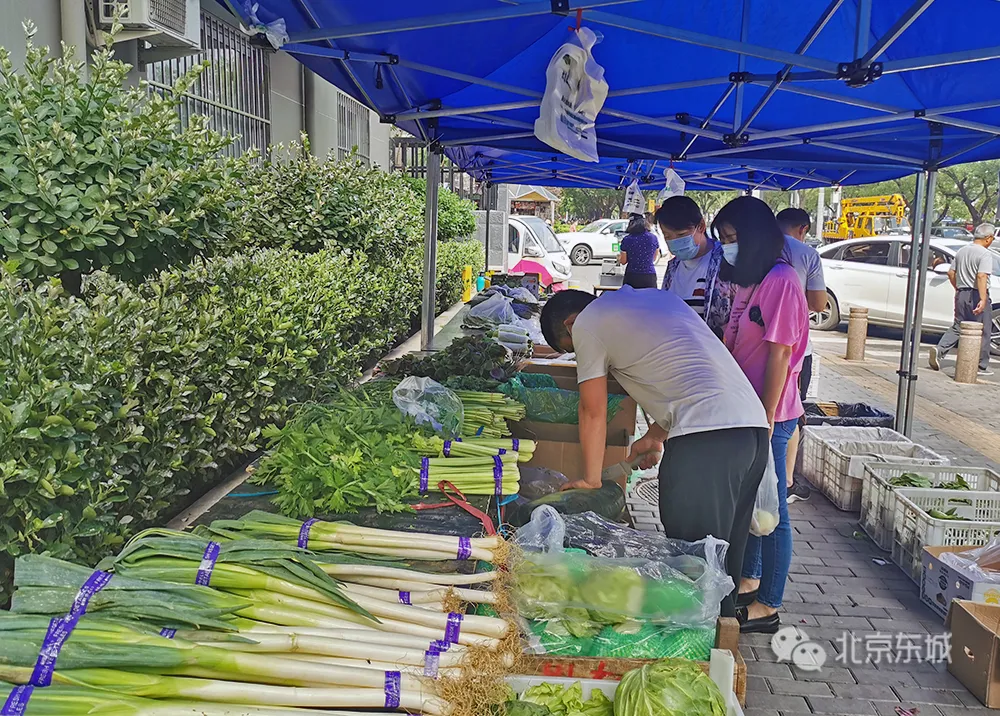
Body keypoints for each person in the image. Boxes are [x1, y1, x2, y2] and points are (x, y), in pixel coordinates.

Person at [539, 288, 771, 617]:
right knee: (721, 567)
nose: (582, 357)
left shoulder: (588, 323)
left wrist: (591, 480)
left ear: (571, 322)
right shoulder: (657, 299)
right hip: (751, 431)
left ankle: (699, 654)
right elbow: (689, 372)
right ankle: (722, 649)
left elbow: (592, 409)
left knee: (692, 566)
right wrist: (655, 436)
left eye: (573, 349)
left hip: (707, 443)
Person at [715, 197, 809, 634]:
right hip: (747, 406)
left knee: (776, 513)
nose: (727, 247)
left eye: (732, 239)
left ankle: (770, 603)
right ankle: (750, 580)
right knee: (755, 503)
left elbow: (780, 355)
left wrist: (768, 416)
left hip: (771, 411)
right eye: (723, 240)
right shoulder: (750, 280)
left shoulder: (783, 280)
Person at [775, 208, 829, 504]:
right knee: (790, 414)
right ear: (803, 228)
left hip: (758, 349)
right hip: (796, 350)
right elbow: (819, 304)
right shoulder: (806, 254)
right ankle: (787, 480)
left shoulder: (759, 248)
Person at [657, 196, 736, 339]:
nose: (674, 241)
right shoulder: (673, 266)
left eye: (681, 235)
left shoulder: (725, 261)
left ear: (701, 226)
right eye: (667, 236)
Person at [930, 223, 996, 376]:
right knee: (983, 329)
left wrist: (958, 288)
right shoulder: (984, 254)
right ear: (988, 238)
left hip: (962, 293)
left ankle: (939, 350)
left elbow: (951, 273)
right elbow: (981, 276)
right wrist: (983, 298)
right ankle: (980, 365)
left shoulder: (962, 251)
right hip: (976, 294)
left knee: (958, 325)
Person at [618, 214, 660, 288]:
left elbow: (623, 261)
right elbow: (654, 258)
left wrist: (618, 258)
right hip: (649, 276)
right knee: (648, 298)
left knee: (631, 299)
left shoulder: (627, 239)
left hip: (632, 276)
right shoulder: (653, 238)